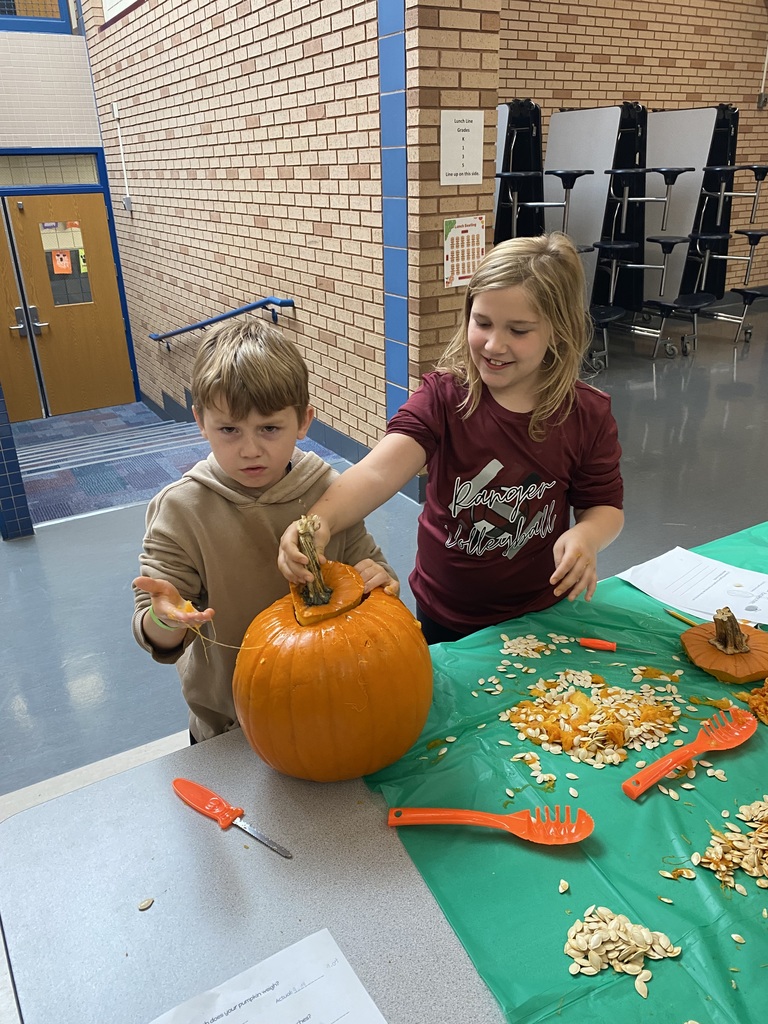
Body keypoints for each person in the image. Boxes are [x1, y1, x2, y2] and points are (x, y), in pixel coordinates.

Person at [278, 232, 624, 645]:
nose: (495, 344)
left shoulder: (587, 414)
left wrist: (587, 535)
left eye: (519, 330)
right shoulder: (443, 397)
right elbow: (376, 473)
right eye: (483, 323)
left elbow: (604, 506)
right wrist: (319, 522)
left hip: (539, 615)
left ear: (559, 330)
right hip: (444, 614)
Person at [132, 320, 397, 742]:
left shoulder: (330, 492)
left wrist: (379, 583)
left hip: (334, 706)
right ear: (200, 420)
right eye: (229, 430)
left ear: (304, 421)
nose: (250, 449)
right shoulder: (180, 510)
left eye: (269, 429)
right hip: (229, 724)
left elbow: (373, 570)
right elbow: (156, 631)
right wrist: (168, 621)